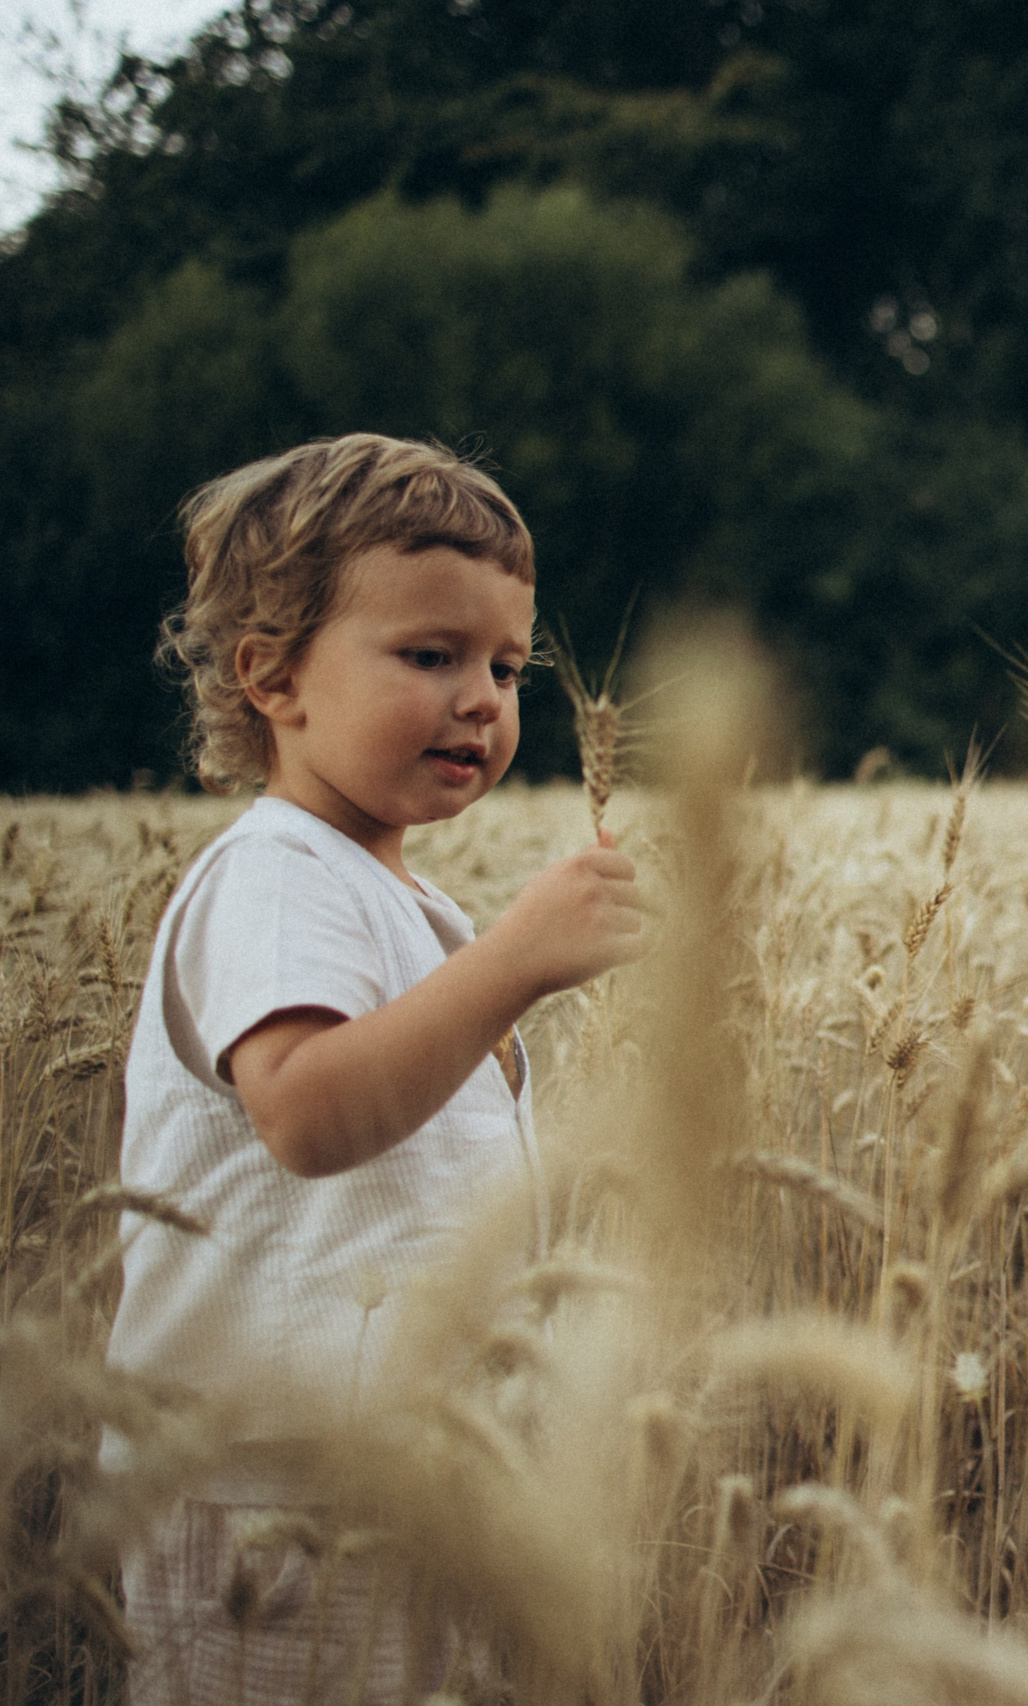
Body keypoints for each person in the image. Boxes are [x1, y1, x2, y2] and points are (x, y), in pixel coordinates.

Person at [109, 435, 647, 1705]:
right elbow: (305, 1111)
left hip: (401, 1471)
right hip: (264, 1492)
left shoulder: (399, 897)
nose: (483, 699)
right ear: (272, 675)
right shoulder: (275, 874)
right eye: (430, 655)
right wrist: (513, 961)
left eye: (508, 668)